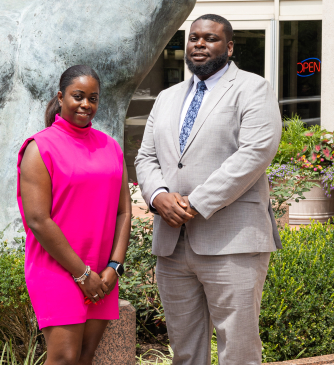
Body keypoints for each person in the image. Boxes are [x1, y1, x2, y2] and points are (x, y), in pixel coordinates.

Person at [134, 14, 282, 365]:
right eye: (194, 38)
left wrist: (196, 202)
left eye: (211, 38)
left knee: (239, 348)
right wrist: (158, 197)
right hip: (172, 245)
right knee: (185, 351)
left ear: (229, 47)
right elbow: (145, 156)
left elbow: (255, 153)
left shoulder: (253, 88)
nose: (199, 44)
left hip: (231, 241)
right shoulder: (167, 97)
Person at [17, 65, 131, 365]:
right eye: (78, 96)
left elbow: (124, 212)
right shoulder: (40, 147)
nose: (86, 104)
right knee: (64, 358)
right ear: (61, 96)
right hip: (57, 267)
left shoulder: (111, 147)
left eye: (93, 98)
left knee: (84, 357)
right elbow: (38, 220)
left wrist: (114, 267)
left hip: (103, 273)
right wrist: (82, 274)